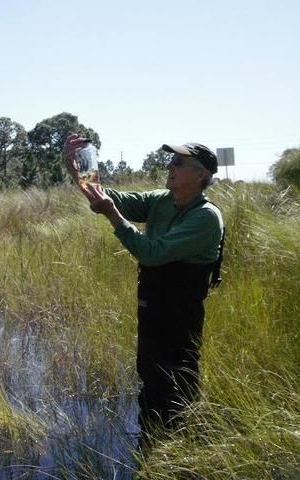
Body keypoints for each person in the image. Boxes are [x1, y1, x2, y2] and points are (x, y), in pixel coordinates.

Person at [63, 134, 224, 446]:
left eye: (179, 162)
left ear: (201, 174)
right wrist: (79, 170)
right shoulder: (162, 201)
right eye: (171, 160)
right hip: (151, 305)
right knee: (150, 375)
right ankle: (150, 447)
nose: (169, 165)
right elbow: (107, 197)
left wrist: (113, 216)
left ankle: (181, 450)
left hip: (180, 313)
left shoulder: (205, 217)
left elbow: (151, 252)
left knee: (177, 379)